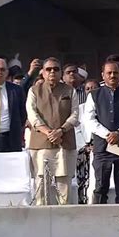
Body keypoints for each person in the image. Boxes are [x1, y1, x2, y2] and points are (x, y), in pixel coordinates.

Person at [84, 61, 119, 204]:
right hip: (102, 147)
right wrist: (107, 135)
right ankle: (98, 218)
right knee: (101, 185)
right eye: (109, 73)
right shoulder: (94, 95)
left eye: (115, 72)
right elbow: (89, 120)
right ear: (103, 75)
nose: (112, 75)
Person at [26, 57, 79, 205]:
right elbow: (32, 115)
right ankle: (41, 223)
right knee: (41, 187)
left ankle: (65, 222)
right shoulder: (34, 91)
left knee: (64, 188)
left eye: (56, 69)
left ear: (61, 73)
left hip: (64, 143)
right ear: (42, 72)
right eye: (48, 69)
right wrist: (49, 132)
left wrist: (60, 131)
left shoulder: (70, 90)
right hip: (41, 145)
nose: (52, 72)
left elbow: (75, 115)